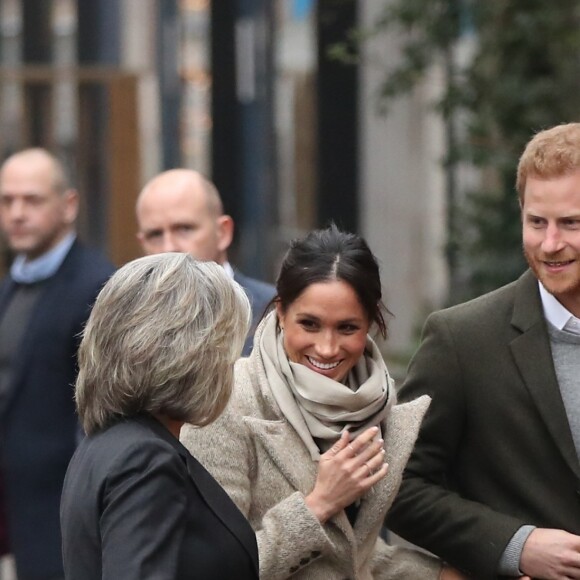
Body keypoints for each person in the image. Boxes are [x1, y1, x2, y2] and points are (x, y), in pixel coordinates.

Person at [181, 226, 464, 579]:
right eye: (310, 324)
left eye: (347, 328)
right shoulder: (223, 402)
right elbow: (213, 569)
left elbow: (351, 558)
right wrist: (319, 504)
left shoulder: (377, 405)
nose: (327, 348)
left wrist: (440, 575)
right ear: (281, 312)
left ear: (372, 322)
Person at [386, 121, 580, 580]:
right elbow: (396, 485)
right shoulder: (462, 339)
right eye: (536, 222)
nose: (550, 244)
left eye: (571, 223)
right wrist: (515, 544)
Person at [60, 253, 259, 580]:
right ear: (192, 356)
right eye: (224, 350)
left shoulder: (107, 446)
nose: (230, 366)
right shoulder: (144, 460)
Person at [0, 148, 114, 580]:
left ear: (68, 205)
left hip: (64, 512)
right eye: (7, 201)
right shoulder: (13, 285)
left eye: (31, 200)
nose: (17, 213)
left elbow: (99, 413)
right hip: (19, 510)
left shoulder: (94, 285)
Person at [135, 168, 275, 355]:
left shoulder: (275, 312)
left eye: (184, 228)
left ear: (223, 232)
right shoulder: (129, 321)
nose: (169, 247)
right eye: (155, 234)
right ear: (142, 243)